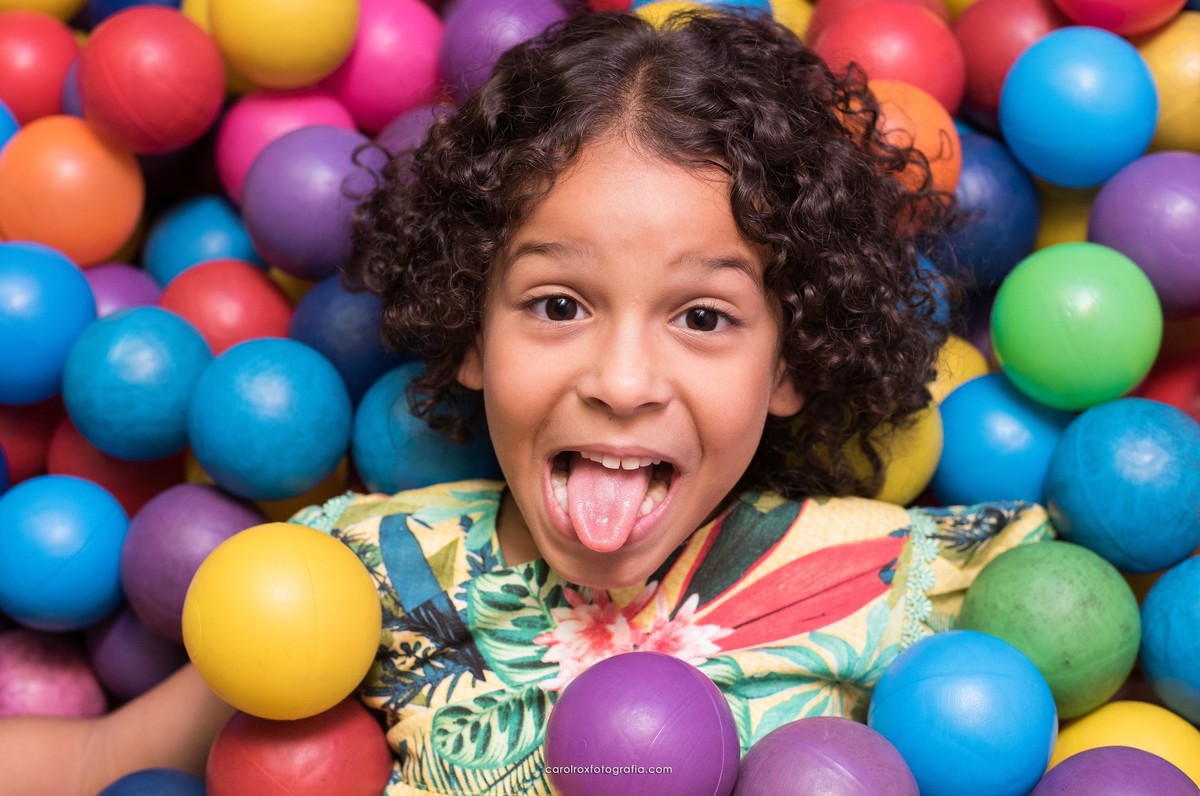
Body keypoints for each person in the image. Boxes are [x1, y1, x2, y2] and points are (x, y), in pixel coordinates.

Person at [0, 9, 1050, 795]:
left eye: (705, 317)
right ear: (472, 332)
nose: (623, 380)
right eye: (558, 303)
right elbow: (96, 756)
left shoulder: (896, 584)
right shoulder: (353, 581)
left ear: (788, 366)